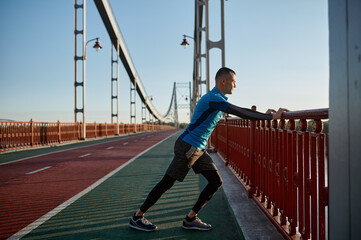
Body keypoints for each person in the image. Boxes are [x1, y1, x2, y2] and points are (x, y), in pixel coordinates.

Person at [129, 67, 288, 232]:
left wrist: (263, 114)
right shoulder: (213, 98)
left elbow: (238, 111)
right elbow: (238, 111)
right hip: (189, 146)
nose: (236, 86)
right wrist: (270, 117)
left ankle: (190, 219)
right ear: (223, 81)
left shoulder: (218, 99)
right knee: (167, 182)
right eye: (234, 82)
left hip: (198, 148)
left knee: (215, 181)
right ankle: (137, 217)